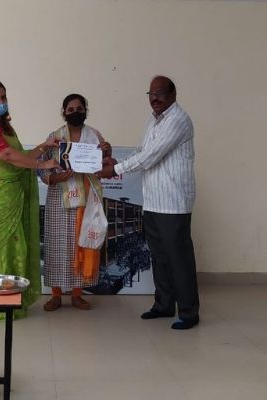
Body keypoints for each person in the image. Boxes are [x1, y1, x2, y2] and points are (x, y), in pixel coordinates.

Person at [97, 75, 199, 330]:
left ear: (173, 94)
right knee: (159, 256)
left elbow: (151, 156)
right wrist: (116, 162)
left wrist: (116, 169)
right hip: (153, 200)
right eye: (151, 94)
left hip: (173, 202)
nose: (155, 98)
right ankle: (164, 305)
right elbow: (142, 150)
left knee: (179, 258)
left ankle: (189, 312)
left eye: (160, 93)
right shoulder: (154, 120)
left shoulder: (178, 120)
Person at [0, 79, 59, 322]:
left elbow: (21, 156)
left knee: (14, 248)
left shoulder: (5, 127)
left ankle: (7, 303)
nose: (1, 102)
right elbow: (5, 154)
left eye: (3, 97)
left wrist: (43, 147)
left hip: (10, 199)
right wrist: (41, 165)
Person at [38, 94, 112, 311]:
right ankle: (56, 295)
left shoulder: (94, 136)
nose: (75, 112)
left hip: (86, 199)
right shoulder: (55, 137)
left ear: (85, 111)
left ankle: (78, 294)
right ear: (64, 113)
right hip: (59, 198)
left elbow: (104, 166)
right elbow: (41, 167)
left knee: (80, 244)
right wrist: (55, 178)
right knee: (57, 246)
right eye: (70, 110)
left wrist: (107, 152)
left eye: (79, 108)